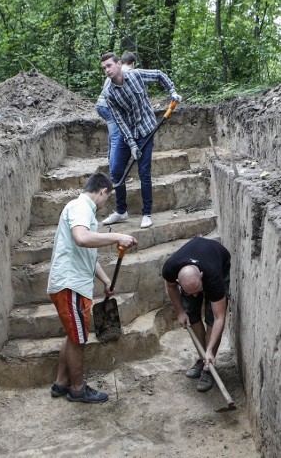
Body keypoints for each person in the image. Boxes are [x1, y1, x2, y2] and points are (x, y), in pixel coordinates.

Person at [47, 172, 138, 403]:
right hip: (70, 285)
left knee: (72, 334)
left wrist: (106, 280)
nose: (105, 204)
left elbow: (87, 252)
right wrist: (117, 236)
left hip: (72, 284)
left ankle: (61, 383)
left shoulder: (82, 211)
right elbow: (81, 238)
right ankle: (78, 389)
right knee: (78, 339)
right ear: (103, 191)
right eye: (107, 199)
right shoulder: (81, 207)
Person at [99, 52, 181, 229]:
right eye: (104, 68)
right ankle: (121, 211)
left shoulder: (135, 75)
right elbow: (119, 120)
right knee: (115, 170)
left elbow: (159, 74)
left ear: (119, 64)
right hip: (127, 133)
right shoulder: (109, 93)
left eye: (109, 66)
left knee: (144, 172)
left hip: (145, 130)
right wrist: (132, 144)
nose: (106, 70)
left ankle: (147, 214)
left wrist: (172, 91)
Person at [161, 237, 231, 392]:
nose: (194, 296)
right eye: (189, 292)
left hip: (217, 260)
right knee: (191, 314)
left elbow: (220, 317)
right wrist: (180, 312)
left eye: (198, 291)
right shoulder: (170, 268)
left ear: (201, 275)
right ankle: (202, 358)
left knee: (211, 317)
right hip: (191, 275)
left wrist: (210, 349)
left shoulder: (213, 276)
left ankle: (208, 365)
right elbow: (171, 286)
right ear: (180, 282)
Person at [95, 52, 137, 162]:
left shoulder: (116, 70)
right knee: (117, 137)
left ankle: (111, 160)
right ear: (133, 63)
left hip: (101, 105)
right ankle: (116, 170)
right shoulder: (128, 72)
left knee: (113, 134)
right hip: (107, 106)